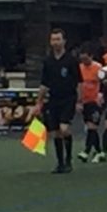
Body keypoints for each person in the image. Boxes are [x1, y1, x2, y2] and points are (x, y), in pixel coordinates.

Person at [36, 29, 82, 174]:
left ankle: (68, 159)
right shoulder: (48, 61)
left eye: (58, 39)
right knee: (55, 132)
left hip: (68, 98)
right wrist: (39, 102)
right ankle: (60, 162)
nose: (56, 42)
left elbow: (79, 82)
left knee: (64, 128)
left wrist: (79, 101)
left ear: (64, 41)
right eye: (53, 40)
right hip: (53, 99)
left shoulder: (71, 60)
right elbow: (44, 84)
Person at [76, 46, 105, 163]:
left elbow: (105, 83)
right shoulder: (79, 68)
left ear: (91, 57)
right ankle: (99, 151)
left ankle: (86, 151)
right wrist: (78, 101)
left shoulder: (98, 68)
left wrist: (101, 94)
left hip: (95, 102)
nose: (84, 62)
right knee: (90, 127)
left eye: (86, 59)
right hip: (85, 102)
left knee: (92, 126)